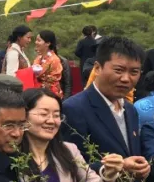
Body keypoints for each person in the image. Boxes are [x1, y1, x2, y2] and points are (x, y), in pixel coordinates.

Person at [21, 88, 145, 182]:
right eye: (43, 114)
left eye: (57, 115)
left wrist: (109, 175)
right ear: (23, 116)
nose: (51, 121)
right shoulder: (12, 154)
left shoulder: (68, 151)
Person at [62, 36, 146, 166]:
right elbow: (71, 165)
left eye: (134, 72)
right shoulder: (74, 109)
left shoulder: (130, 110)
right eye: (118, 70)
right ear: (97, 68)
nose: (125, 78)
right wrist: (119, 167)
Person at [32, 30, 64, 97]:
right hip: (38, 92)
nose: (36, 42)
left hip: (50, 93)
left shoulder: (54, 59)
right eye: (36, 40)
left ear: (48, 43)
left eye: (39, 40)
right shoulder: (39, 57)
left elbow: (53, 80)